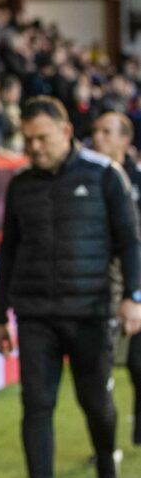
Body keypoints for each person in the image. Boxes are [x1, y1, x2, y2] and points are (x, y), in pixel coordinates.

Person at [0, 96, 141, 478]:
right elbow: (8, 251)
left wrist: (134, 296)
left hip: (91, 313)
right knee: (36, 407)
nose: (35, 147)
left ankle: (107, 467)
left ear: (66, 132)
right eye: (28, 140)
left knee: (96, 405)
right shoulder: (21, 185)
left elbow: (130, 241)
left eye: (42, 138)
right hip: (35, 314)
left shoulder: (106, 175)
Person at [91, 110, 141, 448]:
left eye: (108, 132)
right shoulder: (87, 177)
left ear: (125, 139)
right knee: (98, 373)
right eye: (96, 131)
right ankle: (105, 449)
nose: (99, 138)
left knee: (138, 364)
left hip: (134, 283)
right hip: (100, 288)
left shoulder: (136, 181)